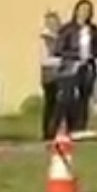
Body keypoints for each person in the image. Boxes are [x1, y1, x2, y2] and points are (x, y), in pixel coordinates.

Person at [52, 0, 97, 135]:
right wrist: (76, 55)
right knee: (67, 98)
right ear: (76, 11)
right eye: (82, 10)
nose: (85, 13)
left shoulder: (93, 30)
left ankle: (79, 128)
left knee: (84, 98)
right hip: (70, 67)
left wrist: (92, 54)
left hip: (87, 68)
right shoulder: (67, 29)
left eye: (88, 10)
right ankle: (58, 128)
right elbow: (58, 50)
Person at [36, 11, 62, 140]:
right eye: (50, 22)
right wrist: (62, 61)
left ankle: (56, 130)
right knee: (50, 103)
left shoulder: (60, 37)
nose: (54, 25)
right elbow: (44, 59)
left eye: (55, 22)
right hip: (49, 75)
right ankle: (48, 132)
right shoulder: (44, 39)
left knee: (59, 104)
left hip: (61, 74)